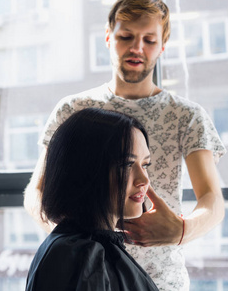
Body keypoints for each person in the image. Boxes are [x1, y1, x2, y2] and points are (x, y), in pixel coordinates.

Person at [24, 0, 226, 290]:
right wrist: (74, 240)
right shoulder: (73, 110)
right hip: (85, 271)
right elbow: (38, 191)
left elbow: (213, 200)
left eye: (149, 40)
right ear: (108, 37)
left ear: (163, 46)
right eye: (126, 36)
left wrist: (180, 231)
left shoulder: (187, 115)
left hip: (160, 279)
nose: (136, 48)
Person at [25, 108, 158, 291]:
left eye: (145, 165)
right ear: (86, 170)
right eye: (127, 165)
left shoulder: (91, 248)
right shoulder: (78, 255)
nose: (144, 181)